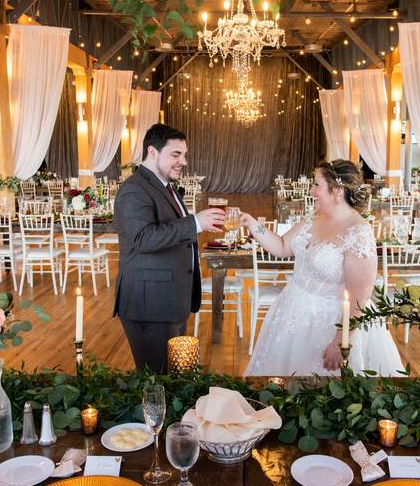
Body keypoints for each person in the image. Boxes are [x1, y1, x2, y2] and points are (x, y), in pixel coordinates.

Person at [242, 159, 404, 377]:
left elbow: (360, 296)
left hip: (330, 324)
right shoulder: (314, 218)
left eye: (317, 184)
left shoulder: (358, 233)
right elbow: (282, 246)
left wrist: (340, 342)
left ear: (337, 191)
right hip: (292, 313)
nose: (311, 190)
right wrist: (253, 225)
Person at [113, 124, 225, 373]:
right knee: (157, 382)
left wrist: (197, 224)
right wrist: (196, 222)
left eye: (184, 155)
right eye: (176, 154)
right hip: (150, 304)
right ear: (153, 152)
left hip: (170, 301)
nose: (183, 161)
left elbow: (170, 232)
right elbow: (143, 238)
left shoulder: (163, 186)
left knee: (172, 380)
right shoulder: (134, 189)